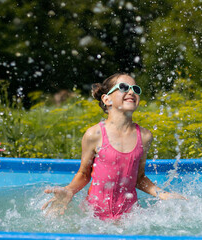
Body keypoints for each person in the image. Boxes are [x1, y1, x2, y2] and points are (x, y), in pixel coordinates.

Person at [42, 73, 186, 220]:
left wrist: (162, 193)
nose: (131, 92)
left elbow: (139, 177)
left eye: (135, 89)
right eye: (124, 87)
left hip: (129, 218)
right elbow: (84, 174)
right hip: (94, 217)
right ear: (107, 99)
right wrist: (69, 191)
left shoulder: (144, 136)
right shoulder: (95, 134)